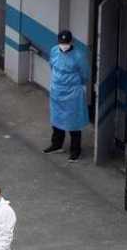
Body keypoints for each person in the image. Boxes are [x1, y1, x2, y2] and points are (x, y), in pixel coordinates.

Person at [43, 30, 89, 162]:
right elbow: (52, 65)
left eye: (66, 42)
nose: (64, 45)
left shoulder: (79, 56)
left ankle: (76, 150)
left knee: (74, 122)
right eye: (61, 42)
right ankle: (56, 144)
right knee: (56, 119)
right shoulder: (54, 51)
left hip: (72, 93)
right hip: (57, 90)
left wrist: (73, 84)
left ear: (71, 42)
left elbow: (85, 74)